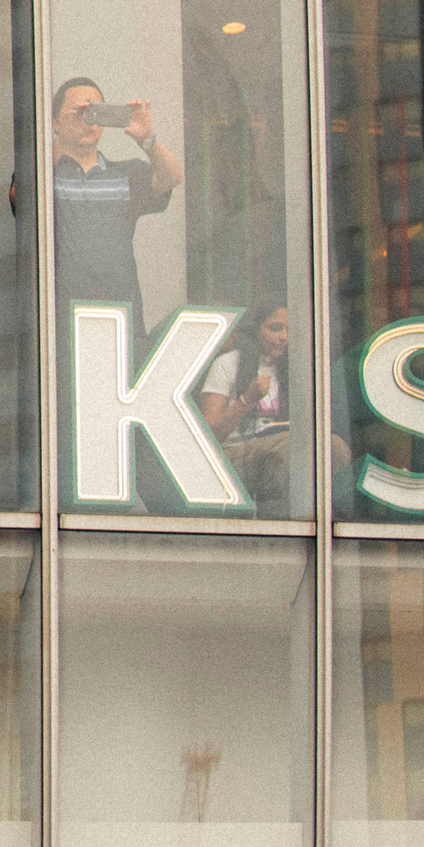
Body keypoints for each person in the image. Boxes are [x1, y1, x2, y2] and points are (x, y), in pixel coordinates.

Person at [49, 76, 184, 332]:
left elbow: (172, 178)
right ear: (55, 121)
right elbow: (17, 193)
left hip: (119, 317)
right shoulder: (46, 175)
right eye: (79, 112)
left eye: (95, 112)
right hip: (58, 322)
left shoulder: (126, 173)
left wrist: (147, 139)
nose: (88, 120)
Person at [197, 300, 339, 517]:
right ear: (256, 329)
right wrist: (246, 400)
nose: (284, 337)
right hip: (233, 456)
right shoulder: (228, 363)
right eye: (275, 328)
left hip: (279, 454)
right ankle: (276, 525)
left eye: (290, 331)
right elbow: (208, 435)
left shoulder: (294, 370)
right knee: (288, 447)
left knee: (335, 446)